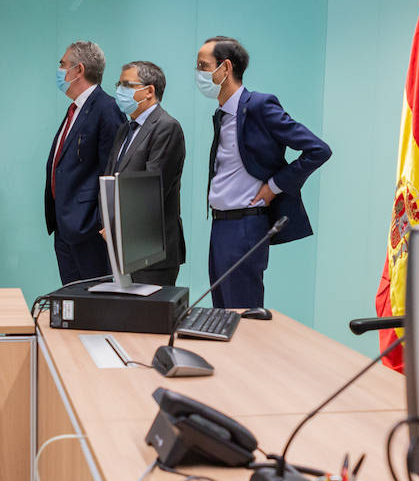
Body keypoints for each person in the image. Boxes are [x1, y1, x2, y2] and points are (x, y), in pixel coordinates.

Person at [196, 36, 331, 308]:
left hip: (245, 225)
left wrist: (275, 186)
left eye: (203, 65)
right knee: (221, 312)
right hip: (220, 225)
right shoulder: (221, 113)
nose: (199, 73)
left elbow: (318, 149)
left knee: (242, 315)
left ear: (225, 68)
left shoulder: (259, 106)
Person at [44, 41, 126, 285]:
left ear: (78, 70)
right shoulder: (75, 110)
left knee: (95, 302)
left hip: (90, 229)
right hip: (65, 225)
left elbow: (112, 170)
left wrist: (102, 222)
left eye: (62, 64)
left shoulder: (107, 108)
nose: (59, 69)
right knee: (73, 299)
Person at [105, 61, 186, 286]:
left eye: (126, 85)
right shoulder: (125, 129)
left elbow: (152, 189)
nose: (119, 91)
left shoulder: (166, 127)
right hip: (121, 247)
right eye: (118, 84)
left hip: (152, 252)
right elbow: (111, 179)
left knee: (148, 319)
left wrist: (117, 227)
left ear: (149, 91)